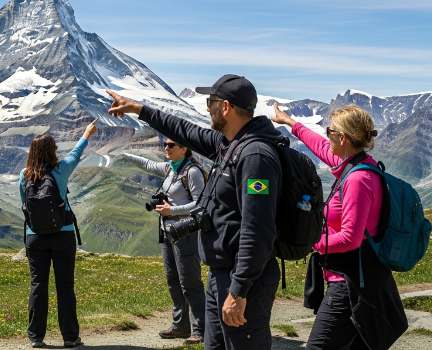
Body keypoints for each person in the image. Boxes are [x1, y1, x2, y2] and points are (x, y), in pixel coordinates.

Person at [106, 74, 286, 350]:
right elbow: (183, 129)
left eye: (210, 102)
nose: (206, 108)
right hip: (220, 274)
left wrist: (239, 290)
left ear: (225, 107)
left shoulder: (255, 156)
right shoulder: (229, 145)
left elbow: (257, 229)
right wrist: (137, 108)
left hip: (243, 280)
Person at [272, 104, 407, 349]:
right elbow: (321, 146)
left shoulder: (357, 179)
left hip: (351, 284)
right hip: (358, 279)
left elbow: (349, 238)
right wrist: (291, 123)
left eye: (329, 131)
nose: (326, 135)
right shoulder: (356, 165)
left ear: (342, 137)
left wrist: (311, 241)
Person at [19, 118, 99, 348]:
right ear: (52, 151)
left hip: (35, 237)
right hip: (62, 235)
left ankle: (36, 337)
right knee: (65, 286)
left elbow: (25, 206)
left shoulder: (23, 176)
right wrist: (86, 134)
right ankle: (70, 337)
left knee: (38, 286)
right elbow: (76, 153)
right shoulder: (61, 170)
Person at [120, 138, 206, 345]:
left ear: (184, 149)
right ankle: (181, 325)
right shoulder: (170, 168)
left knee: (189, 281)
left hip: (185, 232)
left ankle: (201, 329)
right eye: (165, 144)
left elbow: (201, 203)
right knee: (173, 279)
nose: (166, 148)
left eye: (171, 145)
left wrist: (172, 210)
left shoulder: (191, 172)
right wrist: (122, 153)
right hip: (167, 232)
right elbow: (147, 165)